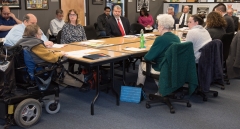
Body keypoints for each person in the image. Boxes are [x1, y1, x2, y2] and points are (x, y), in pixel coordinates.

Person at [136, 14, 180, 86]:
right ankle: (163, 88)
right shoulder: (176, 38)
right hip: (172, 66)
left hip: (161, 67)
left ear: (162, 27)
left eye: (158, 25)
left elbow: (148, 57)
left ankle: (138, 87)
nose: (157, 27)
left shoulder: (160, 39)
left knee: (142, 64)